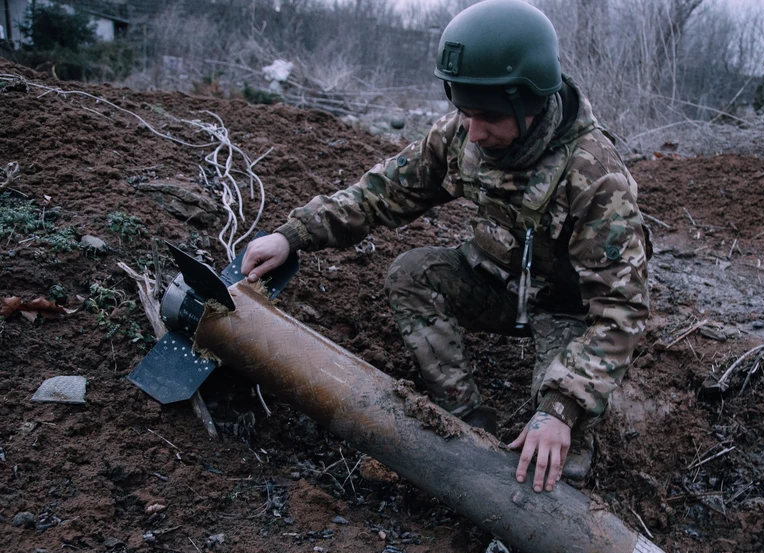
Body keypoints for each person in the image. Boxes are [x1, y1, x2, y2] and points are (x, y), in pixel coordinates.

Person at [241, 0, 652, 495]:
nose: (474, 132)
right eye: (465, 111)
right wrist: (293, 234)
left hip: (567, 312)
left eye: (490, 118)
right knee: (411, 274)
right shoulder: (463, 133)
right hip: (495, 284)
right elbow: (385, 191)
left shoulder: (595, 175)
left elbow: (620, 311)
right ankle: (467, 425)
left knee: (562, 447)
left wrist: (561, 408)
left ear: (530, 102)